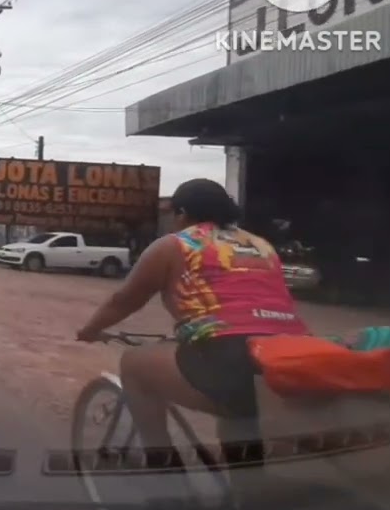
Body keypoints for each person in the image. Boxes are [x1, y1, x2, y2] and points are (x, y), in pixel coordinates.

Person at [75, 178, 309, 461]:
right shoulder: (261, 245)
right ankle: (246, 491)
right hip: (294, 356)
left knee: (134, 364)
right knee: (236, 421)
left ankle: (161, 465)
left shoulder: (176, 245)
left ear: (182, 213)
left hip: (232, 359)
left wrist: (90, 329)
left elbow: (125, 301)